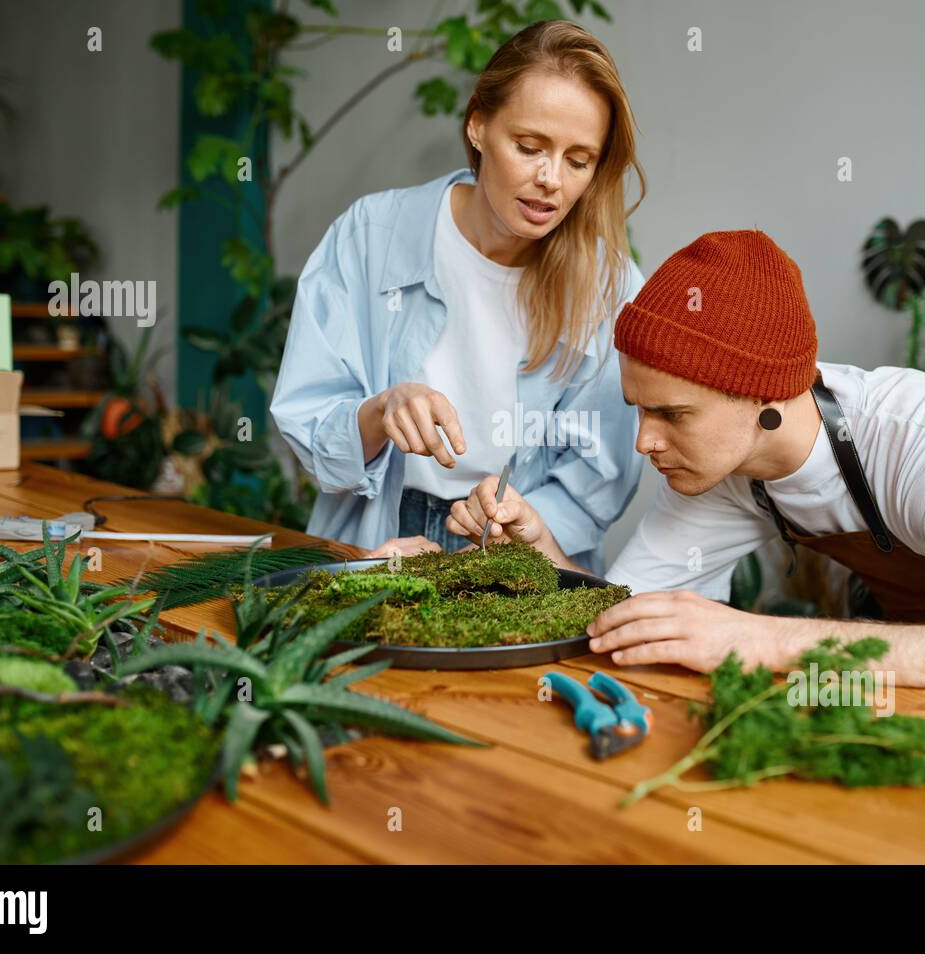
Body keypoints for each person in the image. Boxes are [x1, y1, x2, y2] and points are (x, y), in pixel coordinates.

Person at [444, 229, 925, 722]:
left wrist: (766, 637)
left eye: (673, 415)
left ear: (767, 400)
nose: (645, 442)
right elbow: (634, 619)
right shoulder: (723, 470)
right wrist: (545, 561)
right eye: (639, 410)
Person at [270, 20, 647, 576]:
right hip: (381, 539)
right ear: (477, 125)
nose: (551, 179)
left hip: (522, 556)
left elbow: (601, 473)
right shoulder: (371, 235)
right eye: (528, 146)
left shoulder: (610, 285)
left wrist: (522, 521)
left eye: (578, 160)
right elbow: (309, 424)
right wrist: (380, 411)